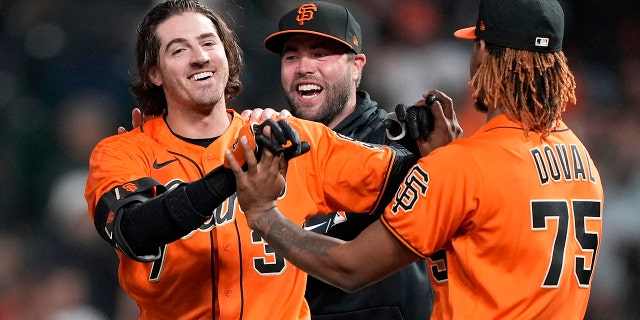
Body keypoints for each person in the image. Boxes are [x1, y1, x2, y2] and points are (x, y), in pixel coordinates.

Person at [228, 0, 604, 319]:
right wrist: (442, 158)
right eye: (293, 56)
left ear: (485, 54)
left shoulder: (465, 165)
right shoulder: (582, 159)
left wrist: (262, 214)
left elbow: (350, 267)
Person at [85, 0, 456, 319]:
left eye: (208, 43)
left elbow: (424, 182)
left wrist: (440, 154)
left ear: (228, 57)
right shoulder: (122, 153)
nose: (199, 56)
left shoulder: (293, 138)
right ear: (154, 72)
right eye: (178, 50)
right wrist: (233, 176)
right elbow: (132, 231)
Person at [245, 2, 433, 319]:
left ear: (357, 66)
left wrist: (429, 151)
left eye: (320, 54)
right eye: (292, 56)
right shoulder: (271, 145)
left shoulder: (395, 139)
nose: (304, 67)